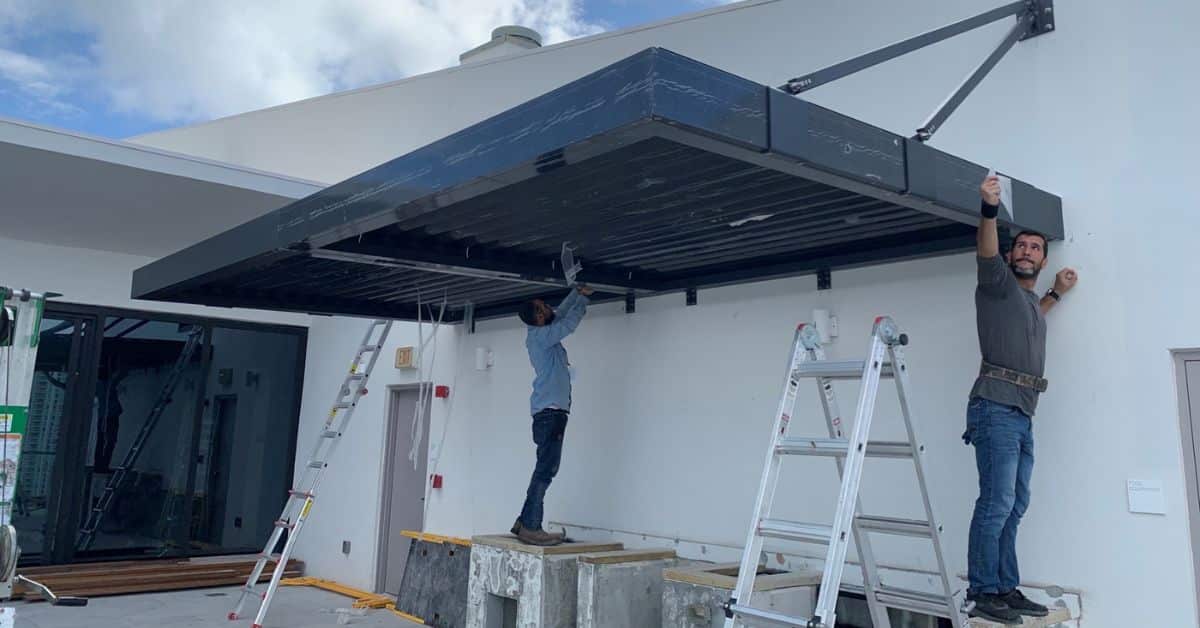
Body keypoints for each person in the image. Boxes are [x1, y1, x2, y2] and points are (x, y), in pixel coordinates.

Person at [963, 175, 1077, 623]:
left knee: (1015, 504)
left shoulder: (1029, 302)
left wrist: (1056, 294)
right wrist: (989, 209)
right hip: (995, 408)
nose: (1027, 251)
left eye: (1036, 248)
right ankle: (982, 591)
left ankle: (1005, 586)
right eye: (1022, 247)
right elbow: (986, 250)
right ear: (1011, 256)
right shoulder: (996, 283)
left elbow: (1033, 318)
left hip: (1022, 413)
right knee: (995, 502)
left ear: (1043, 260)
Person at [510, 284, 593, 546]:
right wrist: (582, 301)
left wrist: (577, 293)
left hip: (549, 412)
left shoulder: (543, 331)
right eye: (543, 307)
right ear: (538, 317)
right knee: (546, 470)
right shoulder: (540, 337)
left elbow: (560, 313)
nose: (548, 307)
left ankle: (525, 522)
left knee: (543, 468)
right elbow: (567, 324)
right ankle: (532, 526)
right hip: (550, 413)